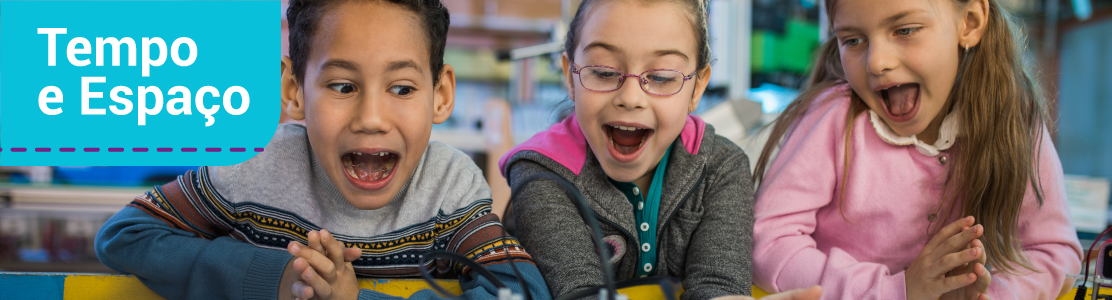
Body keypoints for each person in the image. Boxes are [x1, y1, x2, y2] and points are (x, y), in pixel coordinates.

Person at [94, 1, 551, 299]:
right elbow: (126, 235)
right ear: (294, 92)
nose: (371, 117)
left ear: (440, 94)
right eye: (343, 85)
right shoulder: (252, 166)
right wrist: (275, 277)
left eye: (402, 88)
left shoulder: (449, 188)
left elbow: (520, 289)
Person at [751, 0, 1082, 299]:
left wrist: (995, 294)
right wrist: (898, 290)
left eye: (905, 30)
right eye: (852, 40)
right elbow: (766, 243)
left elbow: (1053, 249)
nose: (877, 62)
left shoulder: (1013, 116)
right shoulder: (832, 119)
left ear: (969, 23)